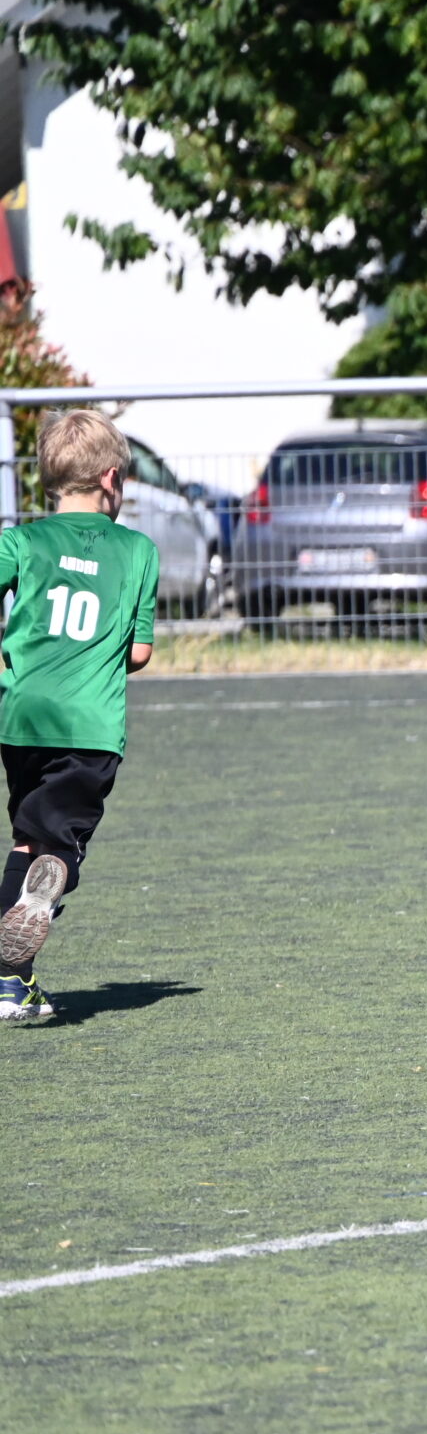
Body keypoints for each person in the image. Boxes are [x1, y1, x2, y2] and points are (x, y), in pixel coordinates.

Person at [0, 410, 158, 1021]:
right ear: (112, 478)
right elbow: (138, 653)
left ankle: (15, 984)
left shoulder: (21, 542)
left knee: (27, 836)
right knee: (60, 846)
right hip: (89, 725)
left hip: (22, 718)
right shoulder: (138, 551)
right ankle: (42, 898)